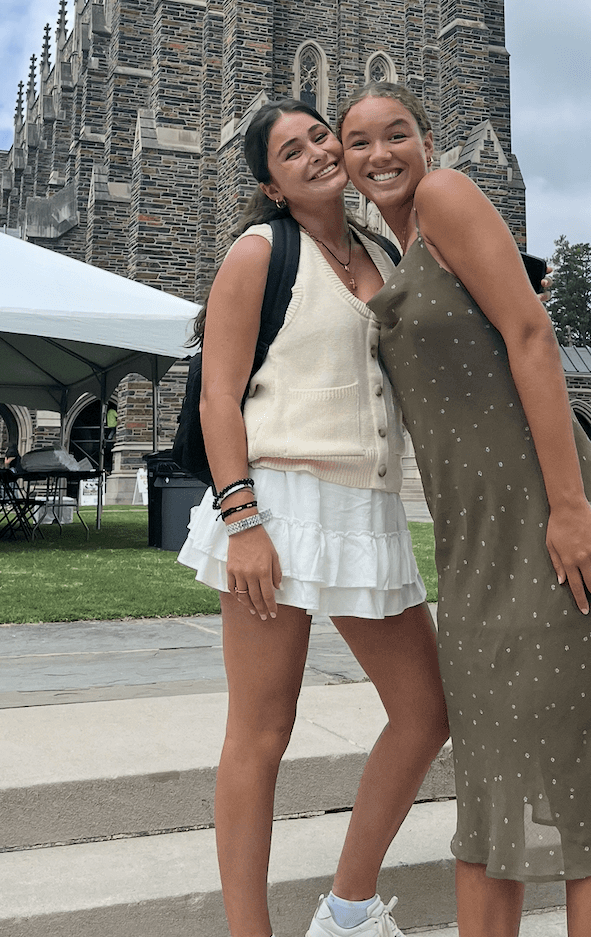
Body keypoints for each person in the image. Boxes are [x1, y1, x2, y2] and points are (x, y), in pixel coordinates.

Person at [338, 83, 591, 937]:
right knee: (490, 789)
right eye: (359, 141)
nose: (380, 153)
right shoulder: (391, 252)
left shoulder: (445, 196)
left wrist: (571, 506)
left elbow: (530, 334)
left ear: (427, 142)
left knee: (583, 795)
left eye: (397, 134)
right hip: (474, 548)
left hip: (550, 523)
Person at [176, 98, 449, 937]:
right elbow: (219, 397)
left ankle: (348, 910)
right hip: (276, 502)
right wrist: (243, 523)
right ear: (272, 184)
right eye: (291, 151)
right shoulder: (259, 252)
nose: (319, 153)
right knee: (262, 732)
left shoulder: (383, 250)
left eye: (320, 136)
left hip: (367, 507)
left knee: (427, 712)